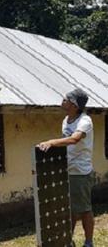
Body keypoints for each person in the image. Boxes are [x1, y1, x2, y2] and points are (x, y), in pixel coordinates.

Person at [37, 88, 95, 247]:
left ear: (75, 105)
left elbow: (75, 139)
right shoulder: (66, 120)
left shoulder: (85, 121)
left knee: (83, 209)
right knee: (69, 209)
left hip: (80, 172)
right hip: (67, 170)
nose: (63, 100)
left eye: (66, 99)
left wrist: (51, 142)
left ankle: (89, 242)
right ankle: (68, 240)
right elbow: (66, 143)